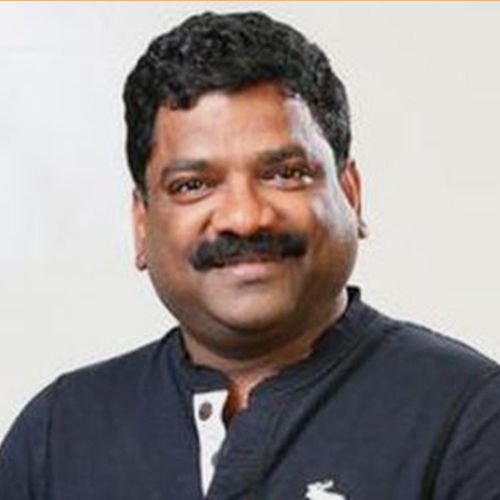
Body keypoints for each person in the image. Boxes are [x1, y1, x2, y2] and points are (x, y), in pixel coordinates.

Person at [1, 11, 499, 500]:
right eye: (192, 185)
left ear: (351, 196)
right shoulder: (56, 436)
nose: (244, 217)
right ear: (142, 223)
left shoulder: (471, 418)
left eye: (285, 174)